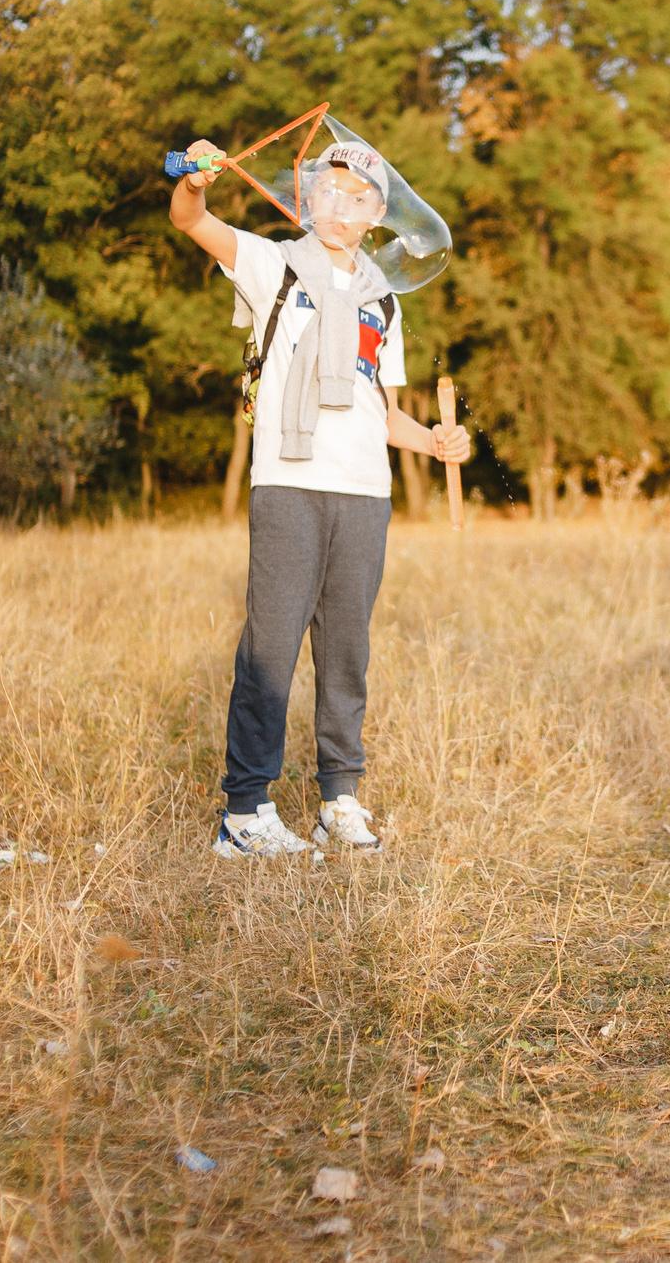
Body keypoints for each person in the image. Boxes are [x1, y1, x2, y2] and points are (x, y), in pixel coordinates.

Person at [169, 138, 472, 860]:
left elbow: (381, 408)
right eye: (327, 190)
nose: (340, 205)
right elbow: (191, 220)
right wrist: (194, 179)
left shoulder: (385, 301)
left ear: (378, 214)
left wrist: (434, 441)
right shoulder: (272, 263)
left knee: (346, 651)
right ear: (308, 199)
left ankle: (340, 797)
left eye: (357, 196)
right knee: (271, 646)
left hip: (365, 491)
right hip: (290, 482)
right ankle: (245, 812)